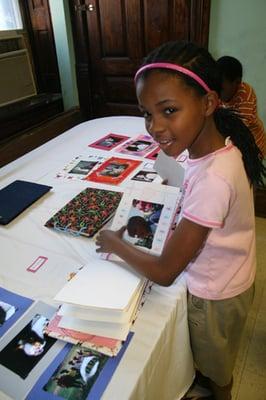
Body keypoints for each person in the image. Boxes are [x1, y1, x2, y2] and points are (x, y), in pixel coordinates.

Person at [95, 41, 265, 400]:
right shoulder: (219, 149)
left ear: (208, 103)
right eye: (147, 113)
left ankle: (221, 391)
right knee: (211, 354)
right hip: (233, 269)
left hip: (216, 292)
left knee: (216, 362)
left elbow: (165, 271)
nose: (154, 127)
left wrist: (115, 243)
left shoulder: (213, 180)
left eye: (168, 110)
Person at [217, 55, 265, 156]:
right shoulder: (218, 93)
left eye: (221, 89)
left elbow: (238, 131)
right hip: (233, 142)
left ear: (237, 82)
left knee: (248, 170)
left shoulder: (246, 96)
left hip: (253, 145)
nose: (216, 93)